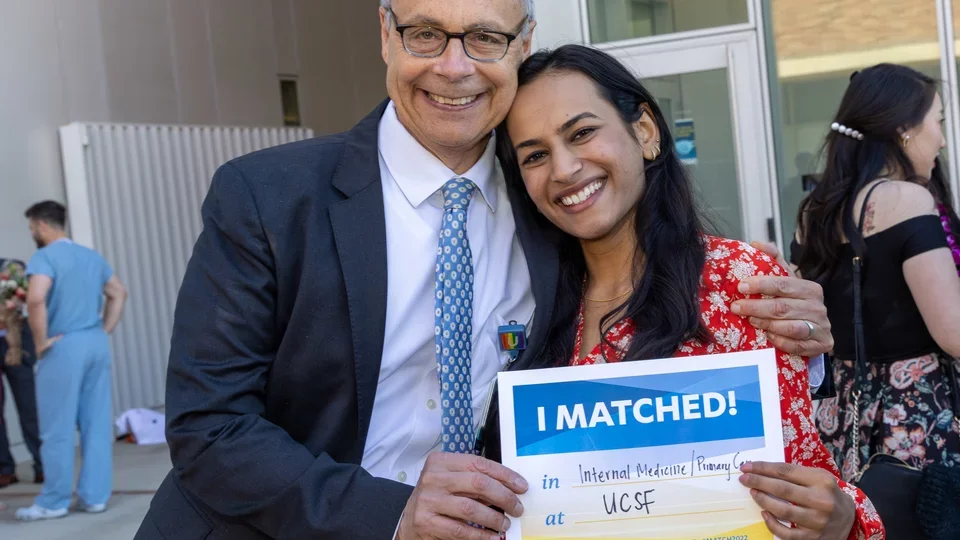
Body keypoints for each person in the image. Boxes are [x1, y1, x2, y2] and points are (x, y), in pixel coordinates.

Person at [135, 1, 835, 539]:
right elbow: (209, 425)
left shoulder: (549, 207)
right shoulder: (267, 197)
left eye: (486, 38)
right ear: (386, 34)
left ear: (521, 43)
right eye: (425, 34)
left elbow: (645, 294)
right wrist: (391, 514)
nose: (454, 65)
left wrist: (771, 308)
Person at [492, 44, 883, 540]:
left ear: (645, 131)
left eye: (583, 132)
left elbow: (806, 475)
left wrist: (839, 518)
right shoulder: (520, 300)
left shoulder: (737, 282)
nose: (564, 169)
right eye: (535, 155)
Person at [792, 65, 960, 489]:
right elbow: (953, 331)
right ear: (904, 129)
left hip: (842, 419)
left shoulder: (816, 211)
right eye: (938, 121)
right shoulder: (908, 199)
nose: (941, 137)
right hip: (914, 418)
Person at [15, 201, 128, 521]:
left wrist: (40, 343)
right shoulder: (91, 256)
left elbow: (36, 298)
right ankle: (95, 497)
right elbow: (118, 292)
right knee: (95, 423)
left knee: (57, 426)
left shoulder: (45, 257)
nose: (32, 233)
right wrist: (103, 329)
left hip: (62, 346)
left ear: (40, 225)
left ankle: (54, 500)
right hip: (94, 342)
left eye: (32, 228)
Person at [0, 258, 43, 488]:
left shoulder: (12, 268)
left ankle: (42, 464)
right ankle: (4, 468)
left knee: (28, 406)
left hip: (16, 342)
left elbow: (33, 300)